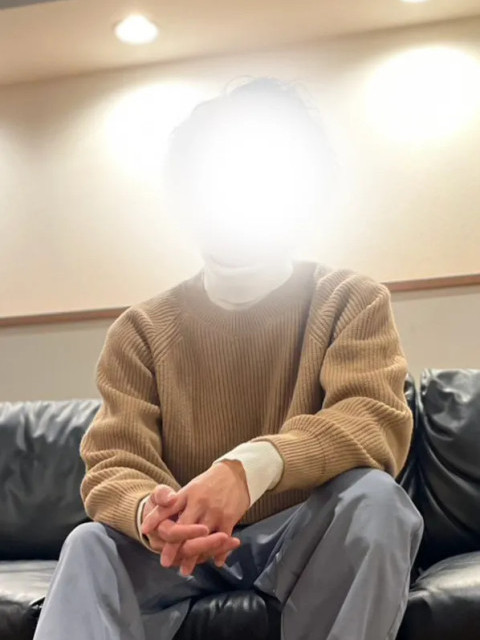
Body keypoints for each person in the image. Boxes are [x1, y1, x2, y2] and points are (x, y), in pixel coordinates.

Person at [33, 78, 423, 640]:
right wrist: (152, 515)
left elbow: (373, 421)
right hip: (179, 554)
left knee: (376, 501)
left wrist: (246, 469)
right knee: (90, 543)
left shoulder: (350, 299)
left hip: (303, 539)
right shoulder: (141, 330)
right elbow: (113, 463)